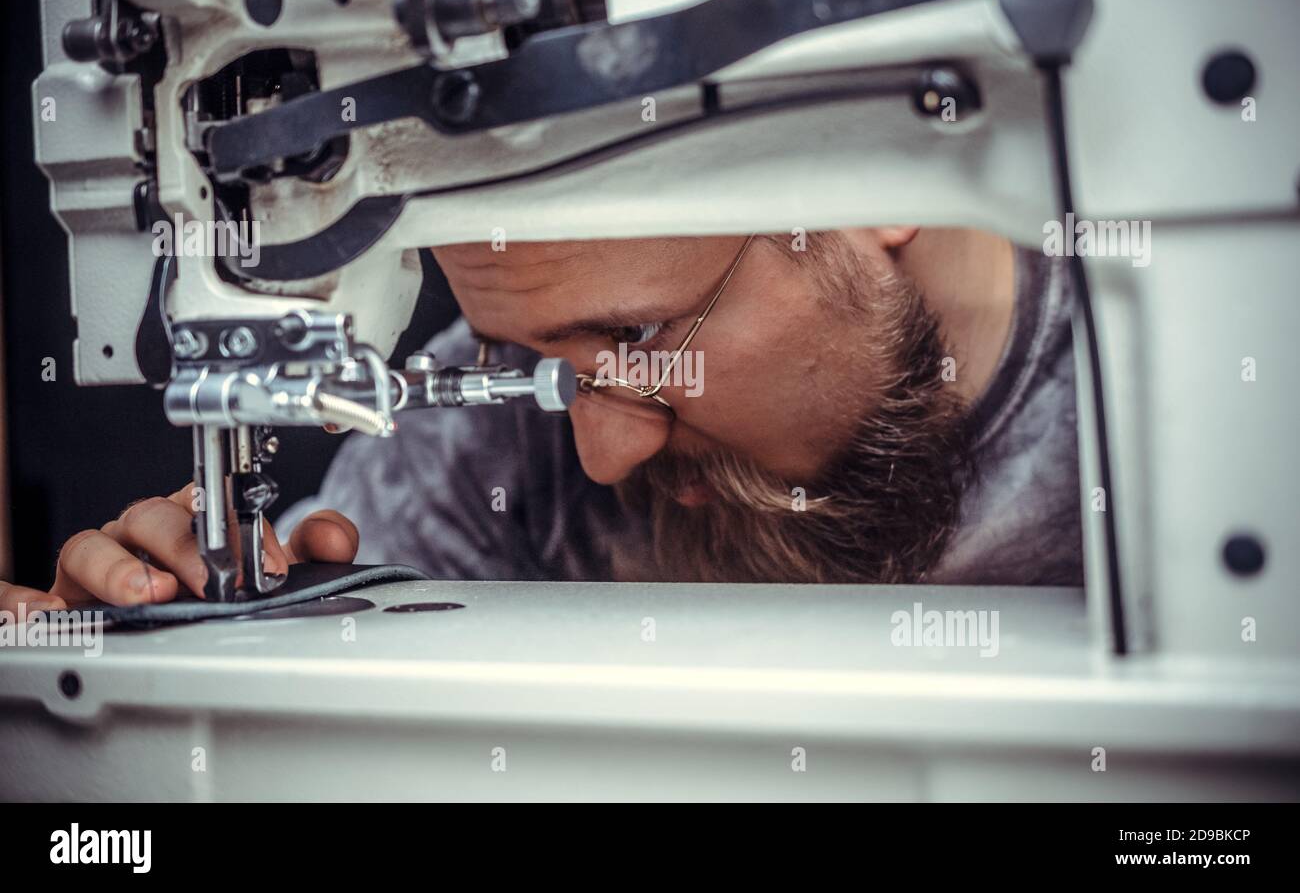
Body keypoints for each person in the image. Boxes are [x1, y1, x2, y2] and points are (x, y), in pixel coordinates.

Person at [2, 226, 1083, 615]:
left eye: (639, 338)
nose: (600, 453)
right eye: (530, 357)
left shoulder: (1181, 400)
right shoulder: (486, 415)